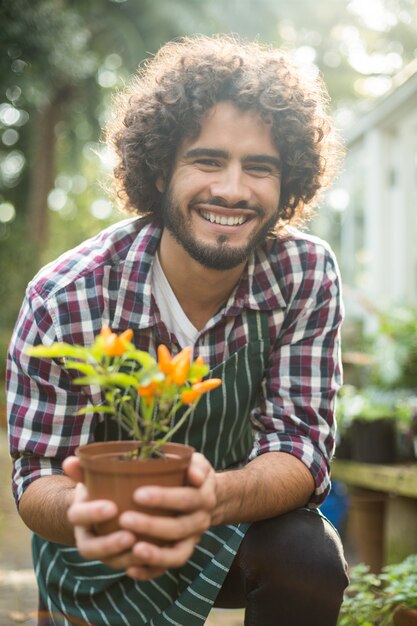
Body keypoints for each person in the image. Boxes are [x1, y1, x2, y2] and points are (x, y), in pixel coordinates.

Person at [7, 34, 349, 626]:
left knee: (309, 555)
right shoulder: (68, 296)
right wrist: (96, 509)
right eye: (207, 160)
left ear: (287, 183)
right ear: (161, 171)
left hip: (232, 524)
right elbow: (37, 474)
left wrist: (210, 497)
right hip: (101, 541)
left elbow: (301, 443)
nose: (232, 190)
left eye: (259, 168)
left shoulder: (304, 272)